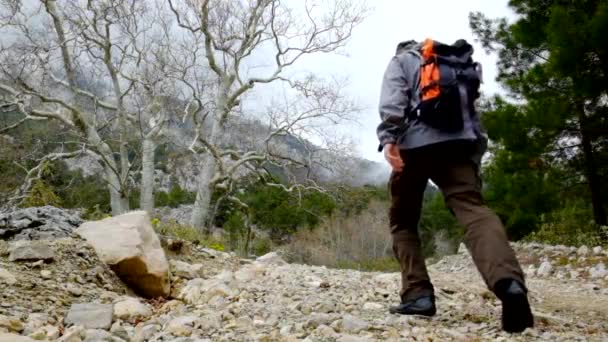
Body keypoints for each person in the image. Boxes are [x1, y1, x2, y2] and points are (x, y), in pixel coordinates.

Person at [376, 39, 534, 333]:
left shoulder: (402, 61)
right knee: (474, 211)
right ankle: (509, 284)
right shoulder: (452, 64)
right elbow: (472, 115)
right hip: (459, 146)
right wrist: (474, 156)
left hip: (414, 146)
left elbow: (393, 99)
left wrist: (389, 138)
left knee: (403, 222)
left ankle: (418, 294)